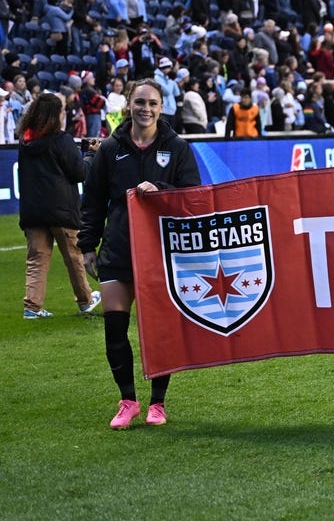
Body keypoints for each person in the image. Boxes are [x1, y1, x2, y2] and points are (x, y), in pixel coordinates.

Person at [79, 79, 201, 429]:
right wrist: (88, 246)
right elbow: (93, 201)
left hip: (161, 251)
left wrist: (161, 189)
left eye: (152, 103)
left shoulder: (177, 147)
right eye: (139, 102)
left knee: (159, 330)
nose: (145, 109)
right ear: (128, 105)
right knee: (115, 328)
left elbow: (192, 196)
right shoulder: (110, 148)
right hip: (118, 248)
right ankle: (128, 400)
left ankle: (158, 404)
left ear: (162, 108)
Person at [17, 94, 102, 319]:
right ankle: (85, 300)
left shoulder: (25, 141)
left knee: (36, 259)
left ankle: (32, 307)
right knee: (74, 257)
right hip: (61, 210)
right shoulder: (60, 139)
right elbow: (79, 173)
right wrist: (90, 156)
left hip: (33, 211)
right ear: (57, 114)